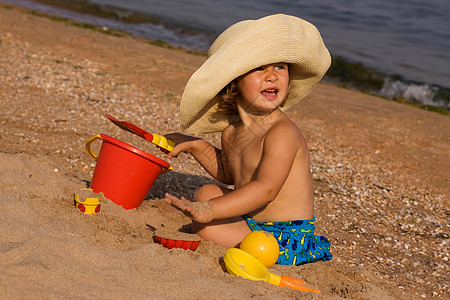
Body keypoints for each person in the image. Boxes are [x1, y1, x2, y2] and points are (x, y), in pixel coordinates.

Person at [163, 14, 332, 265]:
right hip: (253, 222)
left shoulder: (282, 132)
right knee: (207, 191)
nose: (272, 76)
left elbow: (266, 188)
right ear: (234, 83)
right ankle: (232, 231)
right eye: (260, 68)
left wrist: (210, 211)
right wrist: (196, 146)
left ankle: (232, 235)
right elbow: (232, 174)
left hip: (286, 236)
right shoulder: (231, 132)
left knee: (206, 223)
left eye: (280, 67)